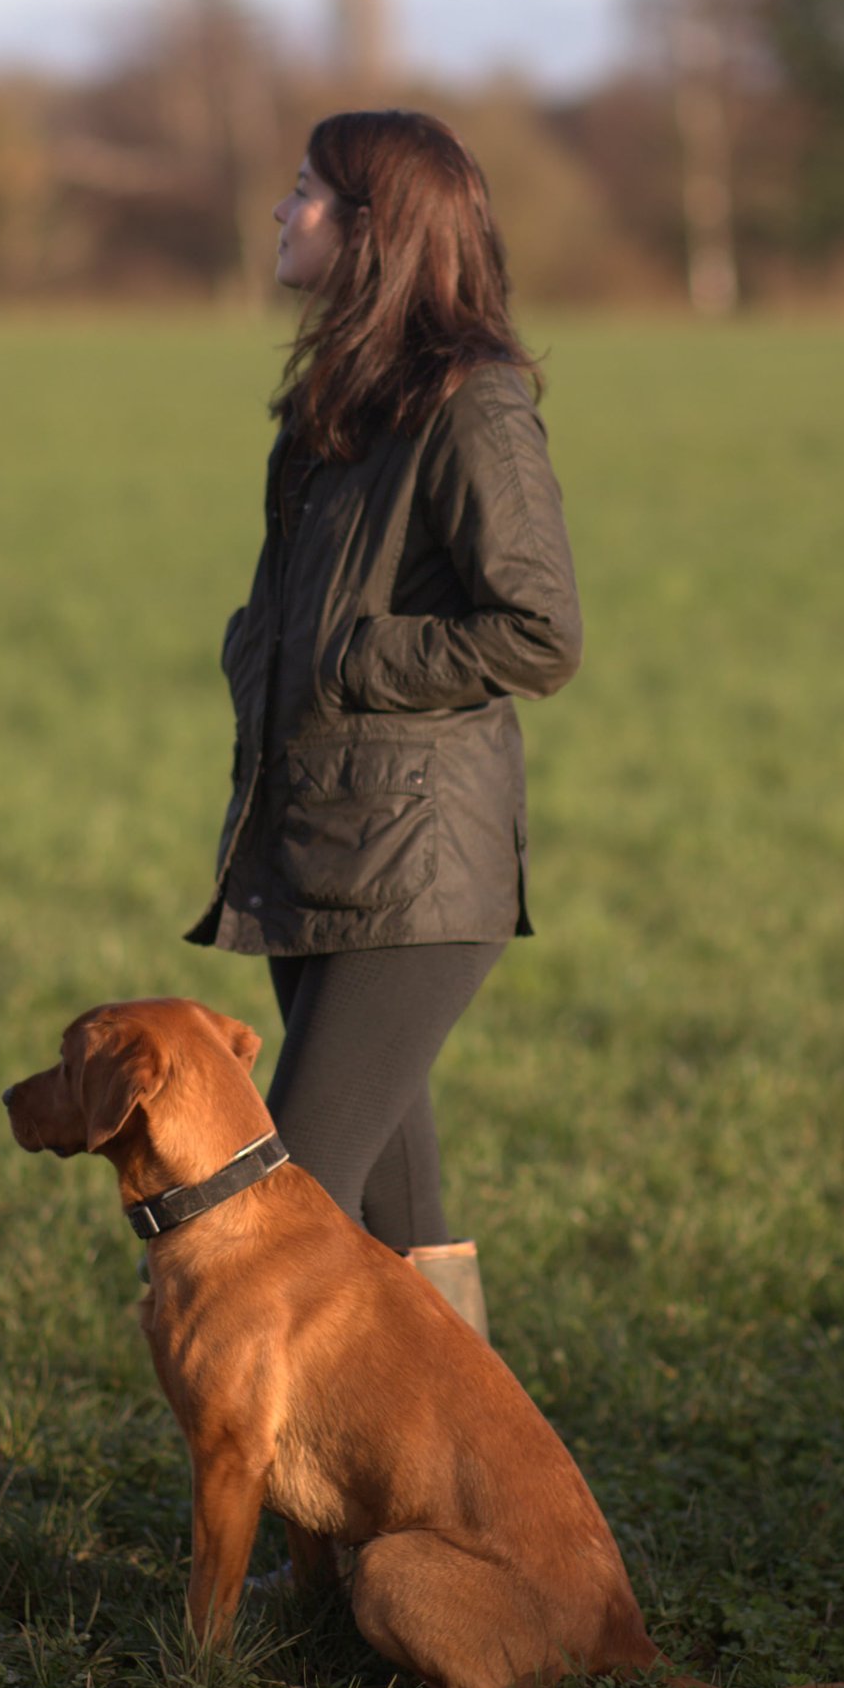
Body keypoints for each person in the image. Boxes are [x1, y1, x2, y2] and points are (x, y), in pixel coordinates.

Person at [187, 108, 583, 1341]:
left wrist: (346, 655)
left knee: (272, 1211)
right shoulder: (335, 403)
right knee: (399, 1229)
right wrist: (258, 648)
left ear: (372, 230)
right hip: (321, 838)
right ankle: (448, 1500)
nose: (278, 210)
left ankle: (301, 1513)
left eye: (302, 190)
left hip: (416, 866)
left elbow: (539, 631)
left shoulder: (476, 405)